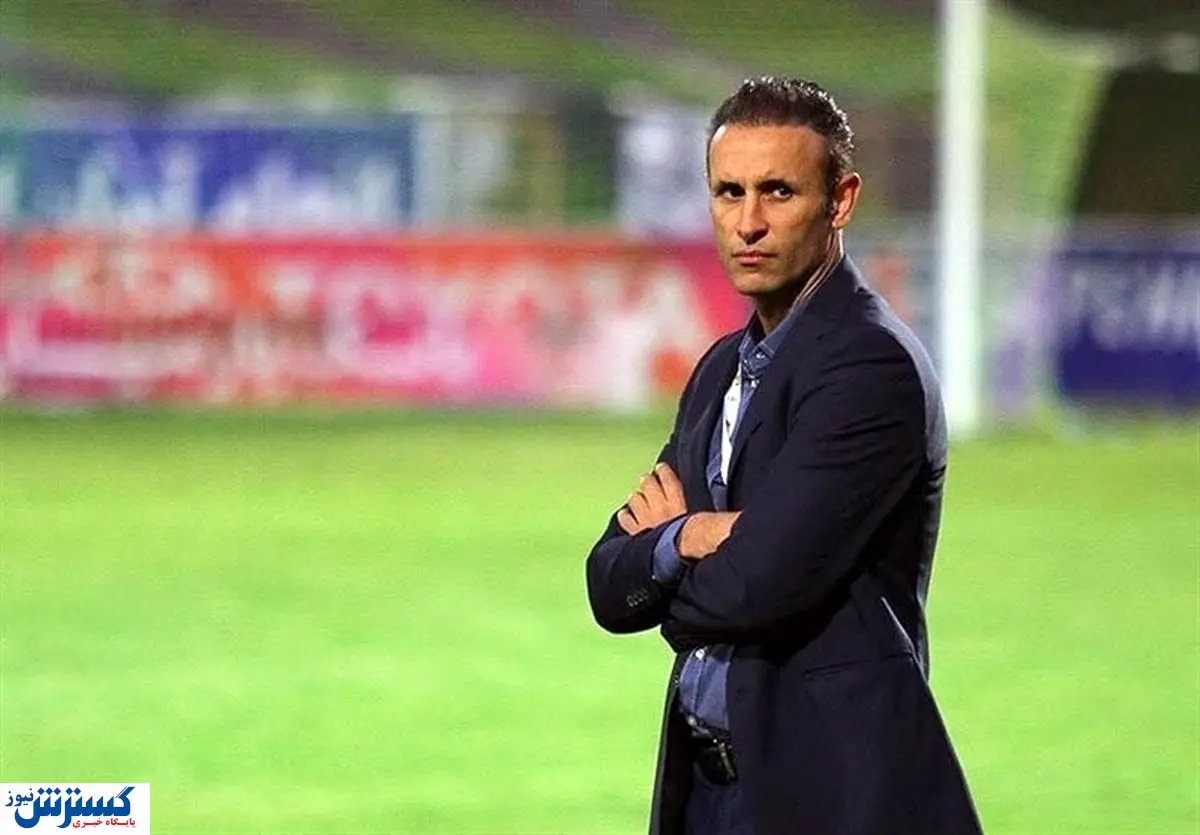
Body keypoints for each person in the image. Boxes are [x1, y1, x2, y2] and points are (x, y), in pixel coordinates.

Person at [584, 77, 983, 835]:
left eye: (778, 192)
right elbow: (607, 581)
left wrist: (668, 564)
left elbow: (755, 588)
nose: (749, 223)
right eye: (728, 192)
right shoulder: (719, 369)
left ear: (840, 201)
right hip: (709, 793)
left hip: (830, 795)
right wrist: (690, 536)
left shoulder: (870, 367)